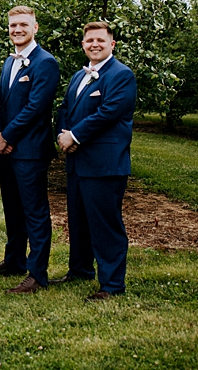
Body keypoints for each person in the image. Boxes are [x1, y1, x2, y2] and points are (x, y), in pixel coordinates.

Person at [54, 21, 137, 300]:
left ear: (111, 44)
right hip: (78, 162)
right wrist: (63, 134)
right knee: (78, 220)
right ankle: (80, 270)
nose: (94, 45)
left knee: (105, 224)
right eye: (89, 40)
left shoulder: (122, 75)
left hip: (104, 163)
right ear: (83, 44)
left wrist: (75, 136)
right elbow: (65, 108)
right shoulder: (80, 75)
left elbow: (109, 113)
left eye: (100, 40)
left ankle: (112, 285)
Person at [0, 6, 61, 294]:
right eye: (12, 25)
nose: (17, 30)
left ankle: (37, 274)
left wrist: (7, 135)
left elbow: (36, 107)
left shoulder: (45, 62)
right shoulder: (9, 62)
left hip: (30, 150)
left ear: (35, 27)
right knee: (13, 210)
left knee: (35, 212)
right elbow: (4, 104)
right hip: (7, 150)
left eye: (23, 24)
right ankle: (14, 260)